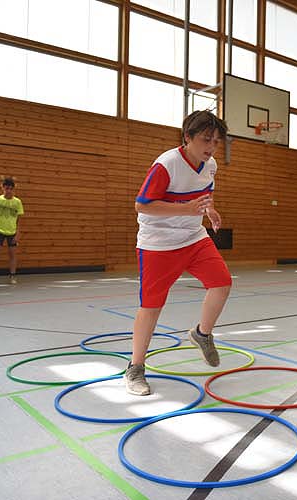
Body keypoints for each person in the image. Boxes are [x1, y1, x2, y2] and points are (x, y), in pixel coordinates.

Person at [124, 111, 233, 396]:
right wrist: (185, 209)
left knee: (222, 283)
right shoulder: (167, 164)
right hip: (158, 243)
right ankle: (135, 368)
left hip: (193, 237)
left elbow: (206, 193)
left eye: (216, 141)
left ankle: (202, 334)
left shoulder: (210, 165)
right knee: (151, 306)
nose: (211, 146)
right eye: (206, 139)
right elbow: (142, 205)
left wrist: (210, 210)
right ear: (187, 137)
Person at [0, 177, 24, 285]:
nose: (8, 191)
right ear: (2, 188)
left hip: (12, 231)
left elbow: (19, 219)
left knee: (12, 254)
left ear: (14, 189)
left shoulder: (17, 202)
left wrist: (18, 233)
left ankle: (12, 275)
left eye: (11, 189)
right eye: (6, 188)